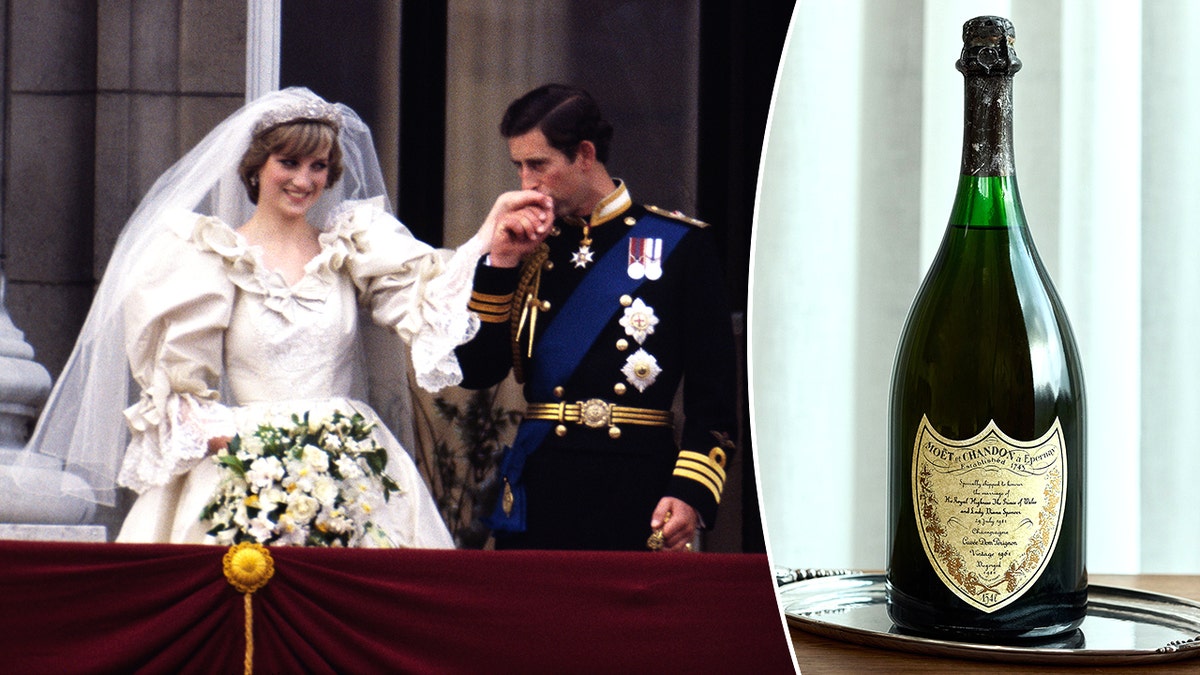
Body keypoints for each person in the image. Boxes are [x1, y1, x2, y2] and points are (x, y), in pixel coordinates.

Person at [20, 87, 550, 547]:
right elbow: (182, 389)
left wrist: (487, 242)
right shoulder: (208, 256)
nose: (304, 180)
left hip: (353, 462)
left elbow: (428, 300)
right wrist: (242, 454)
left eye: (318, 166)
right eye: (289, 163)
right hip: (245, 464)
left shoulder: (352, 247)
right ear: (256, 167)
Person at [455, 84, 739, 552]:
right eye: (519, 167)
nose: (525, 183)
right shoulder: (523, 247)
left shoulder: (680, 245)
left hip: (637, 486)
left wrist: (690, 491)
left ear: (584, 154)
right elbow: (475, 372)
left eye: (538, 165)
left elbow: (714, 395)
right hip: (541, 487)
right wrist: (500, 265)